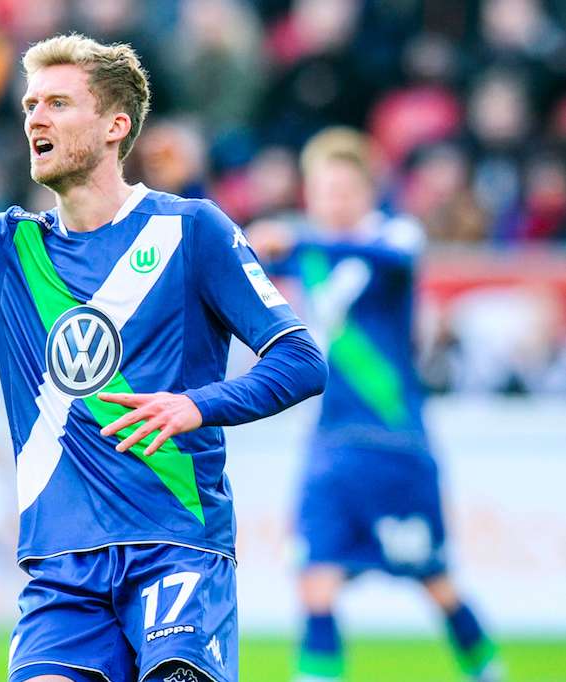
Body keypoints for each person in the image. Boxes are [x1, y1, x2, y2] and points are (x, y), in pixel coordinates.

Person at [0, 8, 327, 681]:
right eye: (30, 104)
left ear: (115, 125)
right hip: (61, 568)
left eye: (58, 103)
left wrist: (197, 405)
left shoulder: (191, 230)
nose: (36, 118)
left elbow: (301, 360)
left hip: (175, 547)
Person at [248, 128, 502, 682]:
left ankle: (490, 671)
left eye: (345, 189)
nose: (334, 201)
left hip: (394, 443)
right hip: (330, 442)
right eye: (324, 190)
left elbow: (385, 255)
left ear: (368, 192)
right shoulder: (311, 255)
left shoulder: (394, 237)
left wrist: (293, 240)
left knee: (435, 582)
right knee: (316, 578)